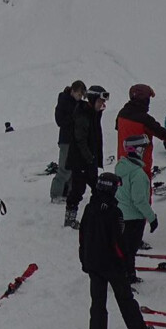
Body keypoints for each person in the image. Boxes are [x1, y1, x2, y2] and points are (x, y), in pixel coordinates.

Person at [79, 172, 155, 329]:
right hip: (112, 264)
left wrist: (84, 258)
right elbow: (118, 243)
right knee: (125, 299)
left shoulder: (89, 208)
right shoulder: (114, 212)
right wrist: (126, 264)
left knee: (97, 302)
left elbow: (83, 236)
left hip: (93, 263)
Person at [116, 84, 166, 193]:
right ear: (144, 100)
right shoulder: (145, 119)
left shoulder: (121, 114)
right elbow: (164, 134)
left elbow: (117, 127)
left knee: (125, 194)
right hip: (140, 163)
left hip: (123, 163)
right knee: (143, 194)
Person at [115, 134, 158, 284]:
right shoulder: (137, 174)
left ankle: (128, 275)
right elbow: (139, 200)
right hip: (134, 218)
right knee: (129, 250)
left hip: (122, 216)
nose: (145, 152)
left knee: (125, 249)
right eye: (144, 149)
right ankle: (126, 277)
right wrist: (152, 218)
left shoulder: (121, 168)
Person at [64, 85, 106, 229]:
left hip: (90, 161)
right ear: (93, 99)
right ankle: (69, 219)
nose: (102, 105)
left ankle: (96, 217)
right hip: (81, 162)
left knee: (97, 189)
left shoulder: (93, 114)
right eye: (100, 101)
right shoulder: (83, 114)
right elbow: (80, 140)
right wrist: (89, 157)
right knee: (77, 190)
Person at [51, 80, 86, 204]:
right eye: (79, 95)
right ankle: (56, 195)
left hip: (76, 141)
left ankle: (69, 193)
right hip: (66, 140)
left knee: (73, 169)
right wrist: (74, 119)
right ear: (73, 91)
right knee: (64, 169)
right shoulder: (64, 101)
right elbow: (60, 121)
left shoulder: (78, 104)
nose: (80, 97)